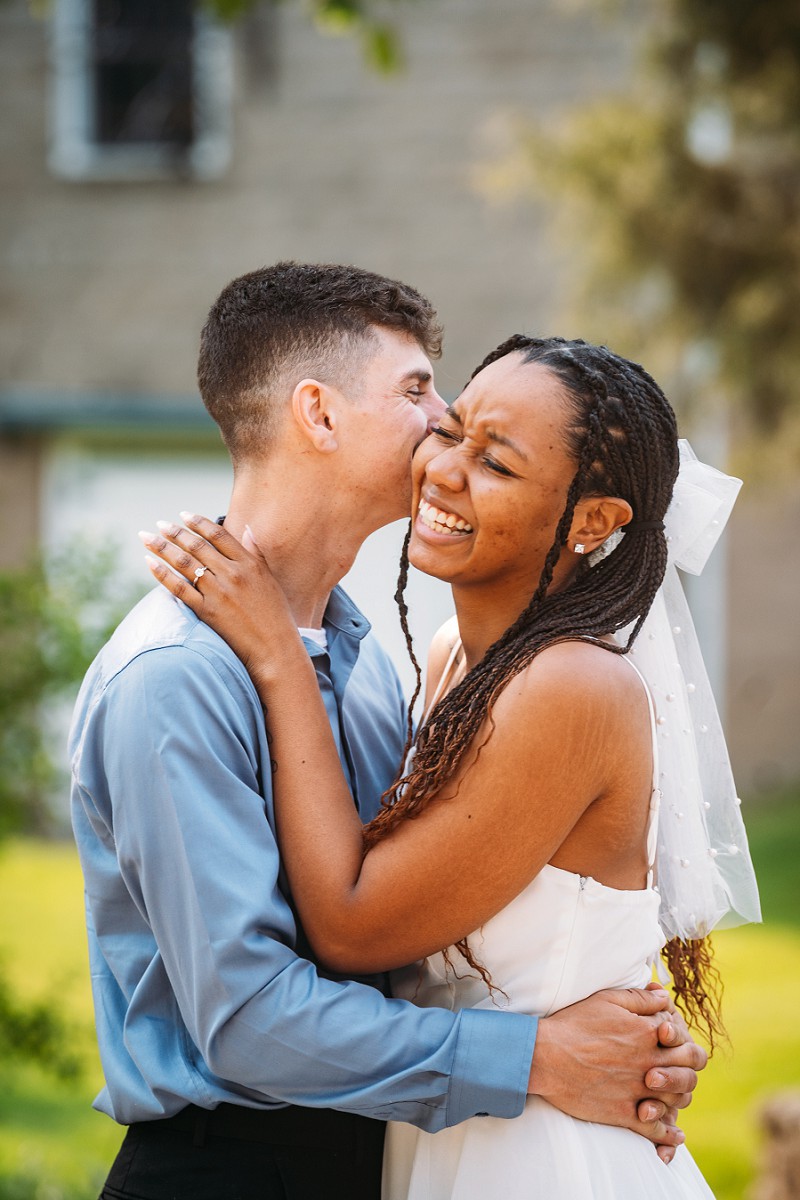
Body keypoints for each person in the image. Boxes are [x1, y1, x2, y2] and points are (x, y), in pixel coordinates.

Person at [72, 263, 703, 1200]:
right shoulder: (176, 679)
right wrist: (542, 1052)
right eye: (421, 395)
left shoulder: (366, 660)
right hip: (236, 1170)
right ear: (319, 415)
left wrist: (618, 1029)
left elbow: (415, 919)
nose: (440, 429)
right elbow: (250, 1019)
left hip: (411, 1148)